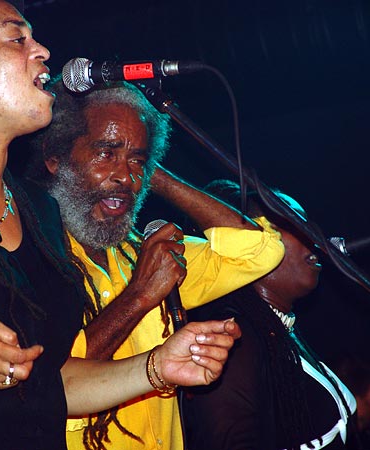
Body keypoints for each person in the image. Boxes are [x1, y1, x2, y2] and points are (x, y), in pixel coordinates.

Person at [0, 1, 241, 449]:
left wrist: (157, 367)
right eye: (17, 38)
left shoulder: (40, 212)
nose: (42, 50)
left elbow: (48, 386)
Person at [26, 80, 286, 450]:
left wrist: (153, 175)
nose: (125, 177)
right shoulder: (31, 256)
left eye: (137, 161)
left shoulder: (144, 253)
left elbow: (260, 250)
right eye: (106, 153)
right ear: (56, 158)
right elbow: (52, 382)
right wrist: (140, 295)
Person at [183, 179, 357, 450]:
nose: (313, 235)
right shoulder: (233, 340)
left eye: (306, 222)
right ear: (251, 246)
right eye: (291, 223)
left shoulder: (280, 332)